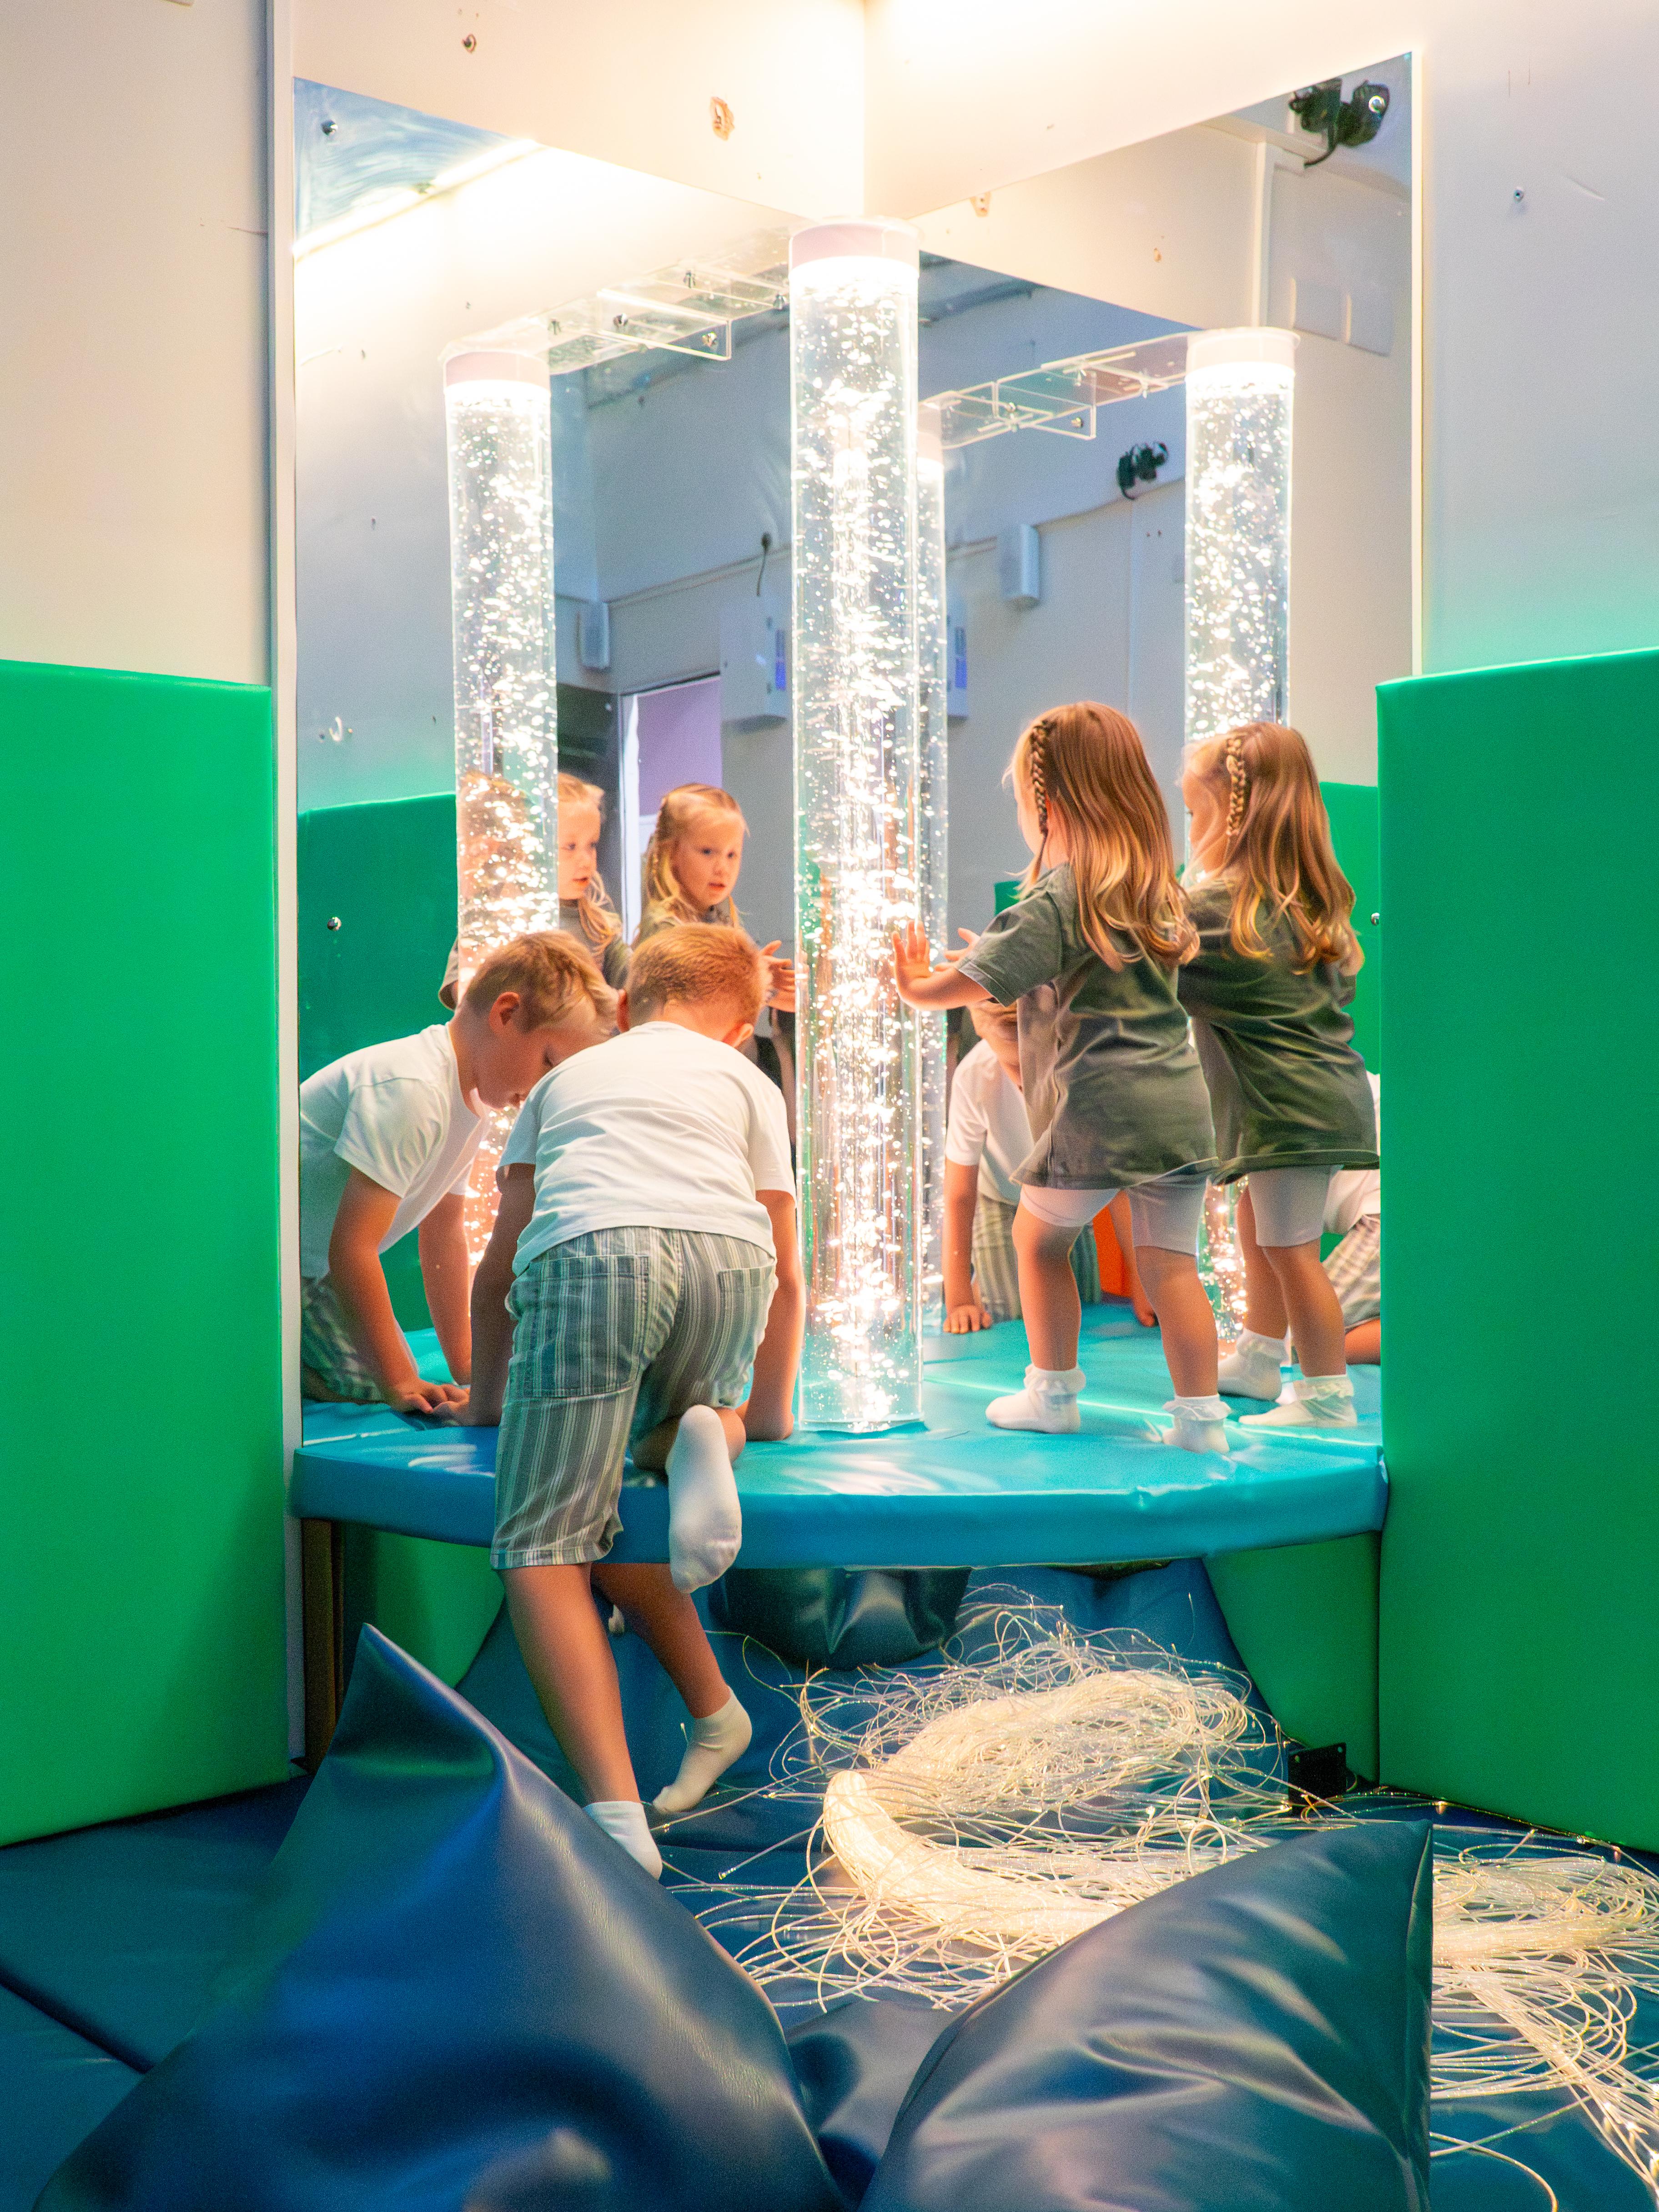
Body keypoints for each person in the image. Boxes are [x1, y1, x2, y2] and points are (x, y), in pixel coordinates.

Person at [459, 924, 804, 1878]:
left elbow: (498, 1271)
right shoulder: (749, 1082)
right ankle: (709, 1434)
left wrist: (488, 1408)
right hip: (731, 1264)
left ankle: (615, 1820)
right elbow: (788, 1260)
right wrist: (763, 1416)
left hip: (598, 1257)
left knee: (543, 1542)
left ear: (621, 1006)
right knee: (629, 1459)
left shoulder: (570, 1080)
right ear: (738, 1028)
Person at [895, 703, 1226, 1454]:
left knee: (1036, 1239)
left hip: (1098, 1107)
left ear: (1046, 805)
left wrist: (917, 986)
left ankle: (1051, 1391)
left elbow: (978, 981)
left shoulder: (1058, 894)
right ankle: (1201, 1419)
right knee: (1173, 1263)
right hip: (1177, 1104)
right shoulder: (1156, 889)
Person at [298, 933, 614, 1413]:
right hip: (274, 1271)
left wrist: (469, 1363)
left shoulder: (468, 1103)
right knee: (369, 1385)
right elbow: (353, 1247)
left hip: (313, 1269)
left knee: (389, 1371)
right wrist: (402, 1381)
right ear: (505, 1015)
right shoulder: (415, 1089)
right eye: (548, 1062)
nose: (542, 1088)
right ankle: (277, 1361)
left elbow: (444, 1231)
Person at [1178, 723, 1377, 1429]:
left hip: (1288, 1110)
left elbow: (1144, 958)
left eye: (1196, 813)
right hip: (1319, 1102)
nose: (1191, 829)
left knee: (1294, 1252)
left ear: (1233, 815)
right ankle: (1260, 1358)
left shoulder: (1223, 913)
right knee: (1259, 1223)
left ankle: (1326, 1398)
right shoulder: (1302, 908)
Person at [944, 999, 1155, 1331]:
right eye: (1011, 1067)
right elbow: (959, 1194)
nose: (1023, 1081)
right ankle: (981, 1286)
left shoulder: (1077, 1070)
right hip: (1001, 1197)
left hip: (1065, 1192)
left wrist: (1145, 1285)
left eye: (1028, 1064)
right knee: (1015, 1313)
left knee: (1076, 1308)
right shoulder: (973, 1076)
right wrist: (958, 1300)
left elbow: (1120, 1188)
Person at [439, 773, 631, 1008]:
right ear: (532, 851)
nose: (586, 860)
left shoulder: (598, 919)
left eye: (592, 845)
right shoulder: (498, 913)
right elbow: (461, 992)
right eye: (570, 847)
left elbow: (632, 983)